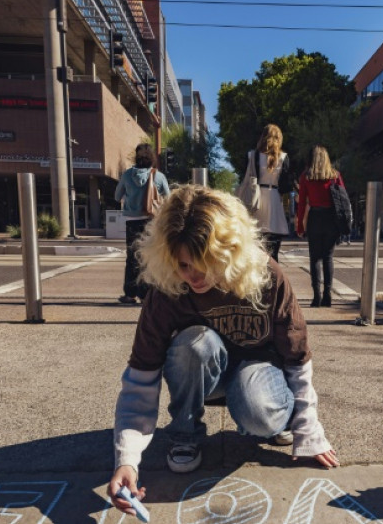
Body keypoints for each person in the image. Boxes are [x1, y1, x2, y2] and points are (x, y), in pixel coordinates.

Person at [108, 185, 338, 517]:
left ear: (229, 250)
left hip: (261, 372)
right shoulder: (168, 289)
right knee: (194, 345)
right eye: (184, 264)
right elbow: (140, 380)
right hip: (207, 375)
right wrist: (126, 460)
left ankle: (279, 417)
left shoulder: (266, 275)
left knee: (256, 407)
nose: (194, 276)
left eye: (205, 262)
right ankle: (185, 434)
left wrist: (309, 430)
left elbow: (297, 358)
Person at [115, 143, 171, 304]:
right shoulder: (158, 176)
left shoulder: (127, 175)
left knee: (132, 257)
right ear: (152, 157)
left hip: (132, 221)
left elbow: (117, 196)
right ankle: (146, 294)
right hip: (151, 221)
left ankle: (130, 294)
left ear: (136, 157)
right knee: (148, 257)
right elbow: (168, 199)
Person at [295, 145, 346, 307]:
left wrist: (300, 227)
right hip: (331, 219)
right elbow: (343, 200)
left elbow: (302, 203)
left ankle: (316, 296)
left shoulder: (306, 177)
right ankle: (327, 295)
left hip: (315, 218)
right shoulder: (335, 175)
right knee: (328, 257)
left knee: (315, 258)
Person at [248, 124, 291, 260]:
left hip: (257, 200)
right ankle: (274, 279)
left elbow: (246, 179)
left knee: (256, 250)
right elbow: (285, 186)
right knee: (274, 253)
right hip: (275, 202)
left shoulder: (252, 155)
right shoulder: (284, 157)